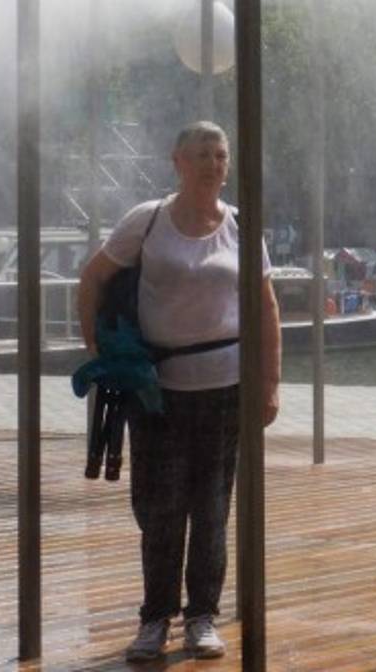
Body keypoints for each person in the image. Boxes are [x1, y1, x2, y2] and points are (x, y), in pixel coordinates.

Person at [76, 121, 282, 662]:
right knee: (159, 507)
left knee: (212, 507)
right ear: (177, 162)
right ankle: (155, 619)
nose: (213, 165)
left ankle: (201, 617)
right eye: (202, 155)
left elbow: (266, 306)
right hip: (157, 391)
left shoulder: (242, 226)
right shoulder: (146, 222)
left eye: (221, 156)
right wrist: (102, 353)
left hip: (224, 389)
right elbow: (92, 278)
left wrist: (270, 384)